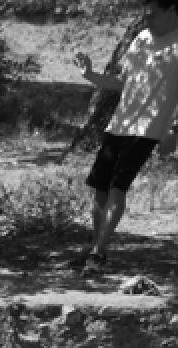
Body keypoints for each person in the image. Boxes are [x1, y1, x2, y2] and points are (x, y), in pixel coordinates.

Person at [73, 0, 178, 275]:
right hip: (118, 124)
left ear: (171, 11)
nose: (147, 21)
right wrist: (91, 75)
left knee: (118, 188)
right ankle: (97, 248)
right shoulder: (142, 38)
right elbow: (124, 82)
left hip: (148, 129)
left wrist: (173, 131)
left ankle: (98, 252)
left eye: (153, 15)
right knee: (100, 188)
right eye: (144, 16)